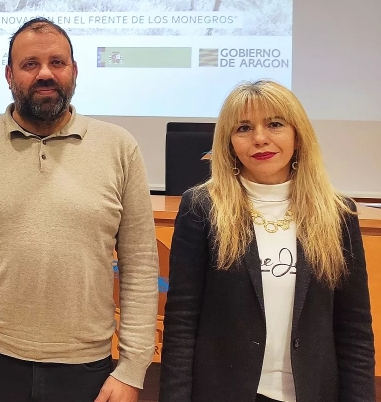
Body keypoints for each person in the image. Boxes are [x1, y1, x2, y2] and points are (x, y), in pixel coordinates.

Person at [0, 18, 159, 402]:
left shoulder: (120, 147)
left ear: (74, 71)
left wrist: (133, 369)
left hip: (86, 367)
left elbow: (140, 267)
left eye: (57, 62)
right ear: (9, 75)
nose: (45, 73)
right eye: (30, 64)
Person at [160, 79, 375, 402]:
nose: (259, 138)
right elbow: (182, 321)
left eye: (275, 124)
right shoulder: (202, 208)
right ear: (229, 142)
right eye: (244, 128)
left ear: (298, 135)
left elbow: (354, 329)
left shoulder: (337, 214)